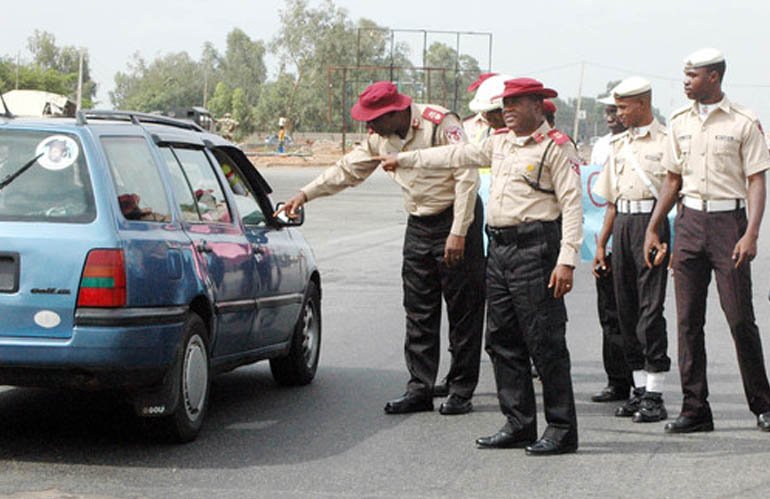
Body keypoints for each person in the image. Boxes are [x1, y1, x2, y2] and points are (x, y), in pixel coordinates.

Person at [380, 77, 582, 455]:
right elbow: (454, 156)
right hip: (500, 249)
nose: (507, 109)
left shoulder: (556, 146)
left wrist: (567, 260)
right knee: (501, 340)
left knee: (544, 342)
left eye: (516, 103)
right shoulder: (501, 141)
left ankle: (561, 427)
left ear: (538, 105)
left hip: (535, 248)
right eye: (505, 103)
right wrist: (405, 159)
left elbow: (571, 206)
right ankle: (519, 423)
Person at [278, 81, 485, 416]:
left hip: (456, 220)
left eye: (373, 119)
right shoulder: (380, 137)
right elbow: (347, 170)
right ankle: (419, 388)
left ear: (394, 112)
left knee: (464, 310)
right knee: (418, 310)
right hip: (419, 223)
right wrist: (305, 194)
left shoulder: (440, 122)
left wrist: (458, 232)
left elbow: (467, 176)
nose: (368, 126)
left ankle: (460, 389)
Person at [644, 48, 770, 433]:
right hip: (688, 222)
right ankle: (695, 408)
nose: (686, 82)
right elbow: (671, 180)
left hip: (729, 224)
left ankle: (763, 404)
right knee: (687, 322)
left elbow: (756, 180)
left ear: (713, 77)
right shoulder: (679, 122)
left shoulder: (744, 121)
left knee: (739, 319)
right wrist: (654, 225)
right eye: (685, 75)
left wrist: (751, 232)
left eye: (692, 76)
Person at [594, 77, 671, 423]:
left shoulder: (667, 141)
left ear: (642, 104)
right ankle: (639, 389)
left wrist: (674, 242)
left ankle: (655, 393)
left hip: (652, 227)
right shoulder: (619, 144)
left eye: (623, 106)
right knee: (625, 311)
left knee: (649, 312)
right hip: (623, 225)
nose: (618, 113)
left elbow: (677, 194)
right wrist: (601, 243)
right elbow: (611, 201)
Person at [433, 72, 511, 398]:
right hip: (472, 220)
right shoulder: (467, 127)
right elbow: (455, 159)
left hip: (498, 220)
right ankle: (456, 375)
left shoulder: (523, 135)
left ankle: (487, 374)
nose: (485, 115)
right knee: (463, 299)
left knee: (486, 305)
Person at [588, 96, 633, 403]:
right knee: (609, 313)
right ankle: (617, 381)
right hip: (604, 238)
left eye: (615, 111)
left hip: (636, 236)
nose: (610, 117)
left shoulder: (650, 143)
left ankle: (642, 383)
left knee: (636, 313)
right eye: (606, 112)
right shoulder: (601, 146)